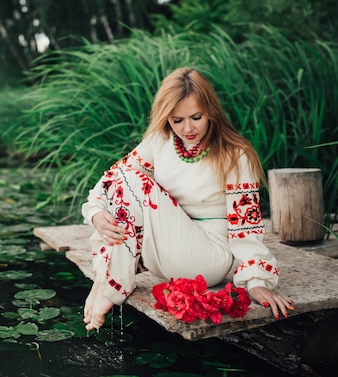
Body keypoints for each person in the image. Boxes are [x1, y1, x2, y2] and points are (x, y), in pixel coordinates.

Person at [81, 67, 294, 331]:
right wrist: (96, 214)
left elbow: (246, 227)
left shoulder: (235, 155)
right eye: (177, 120)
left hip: (209, 258)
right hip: (165, 253)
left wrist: (256, 280)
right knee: (123, 175)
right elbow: (111, 180)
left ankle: (112, 285)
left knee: (133, 179)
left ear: (211, 111)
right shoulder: (160, 141)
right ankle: (110, 280)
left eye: (196, 117)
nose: (188, 128)